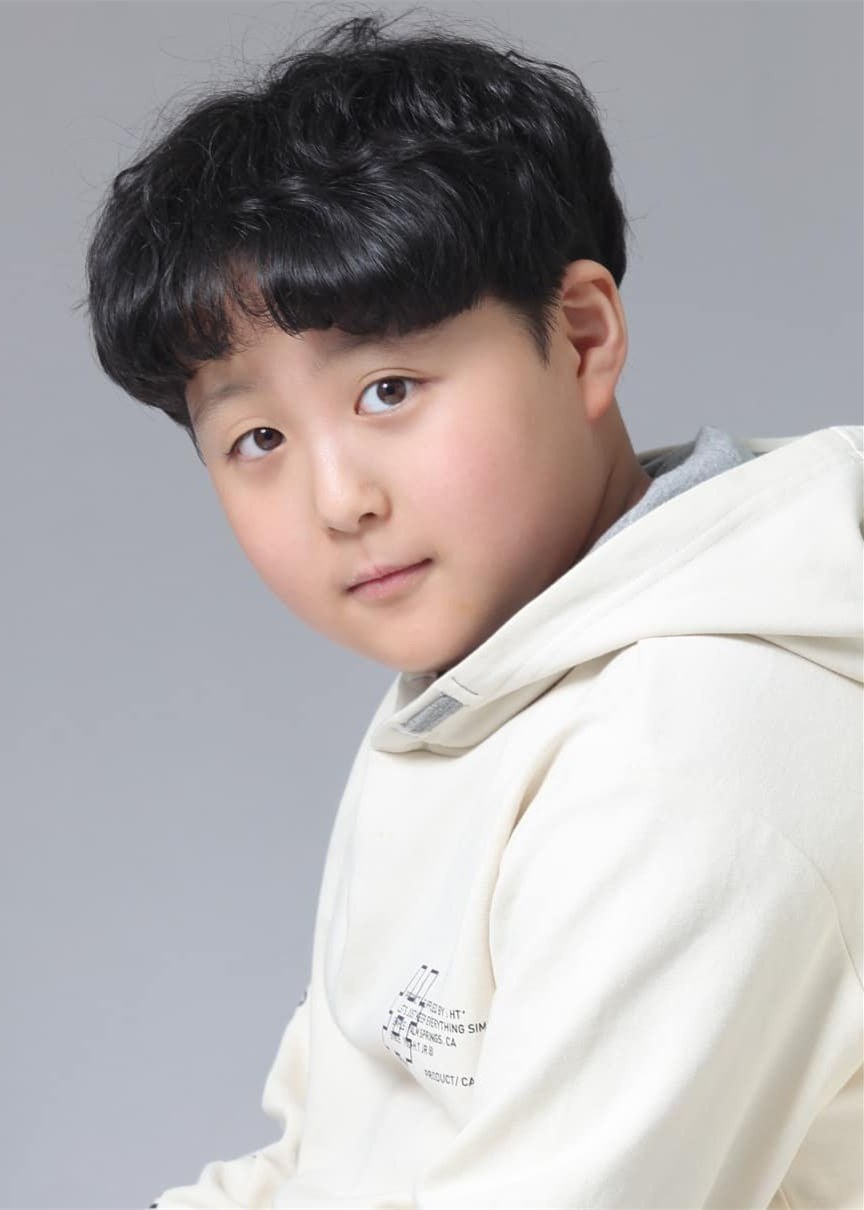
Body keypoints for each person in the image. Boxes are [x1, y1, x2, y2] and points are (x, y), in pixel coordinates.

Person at [83, 11, 863, 1209]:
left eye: (389, 389)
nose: (339, 499)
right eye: (257, 439)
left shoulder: (694, 740)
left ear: (582, 336)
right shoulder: (481, 688)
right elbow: (324, 1160)